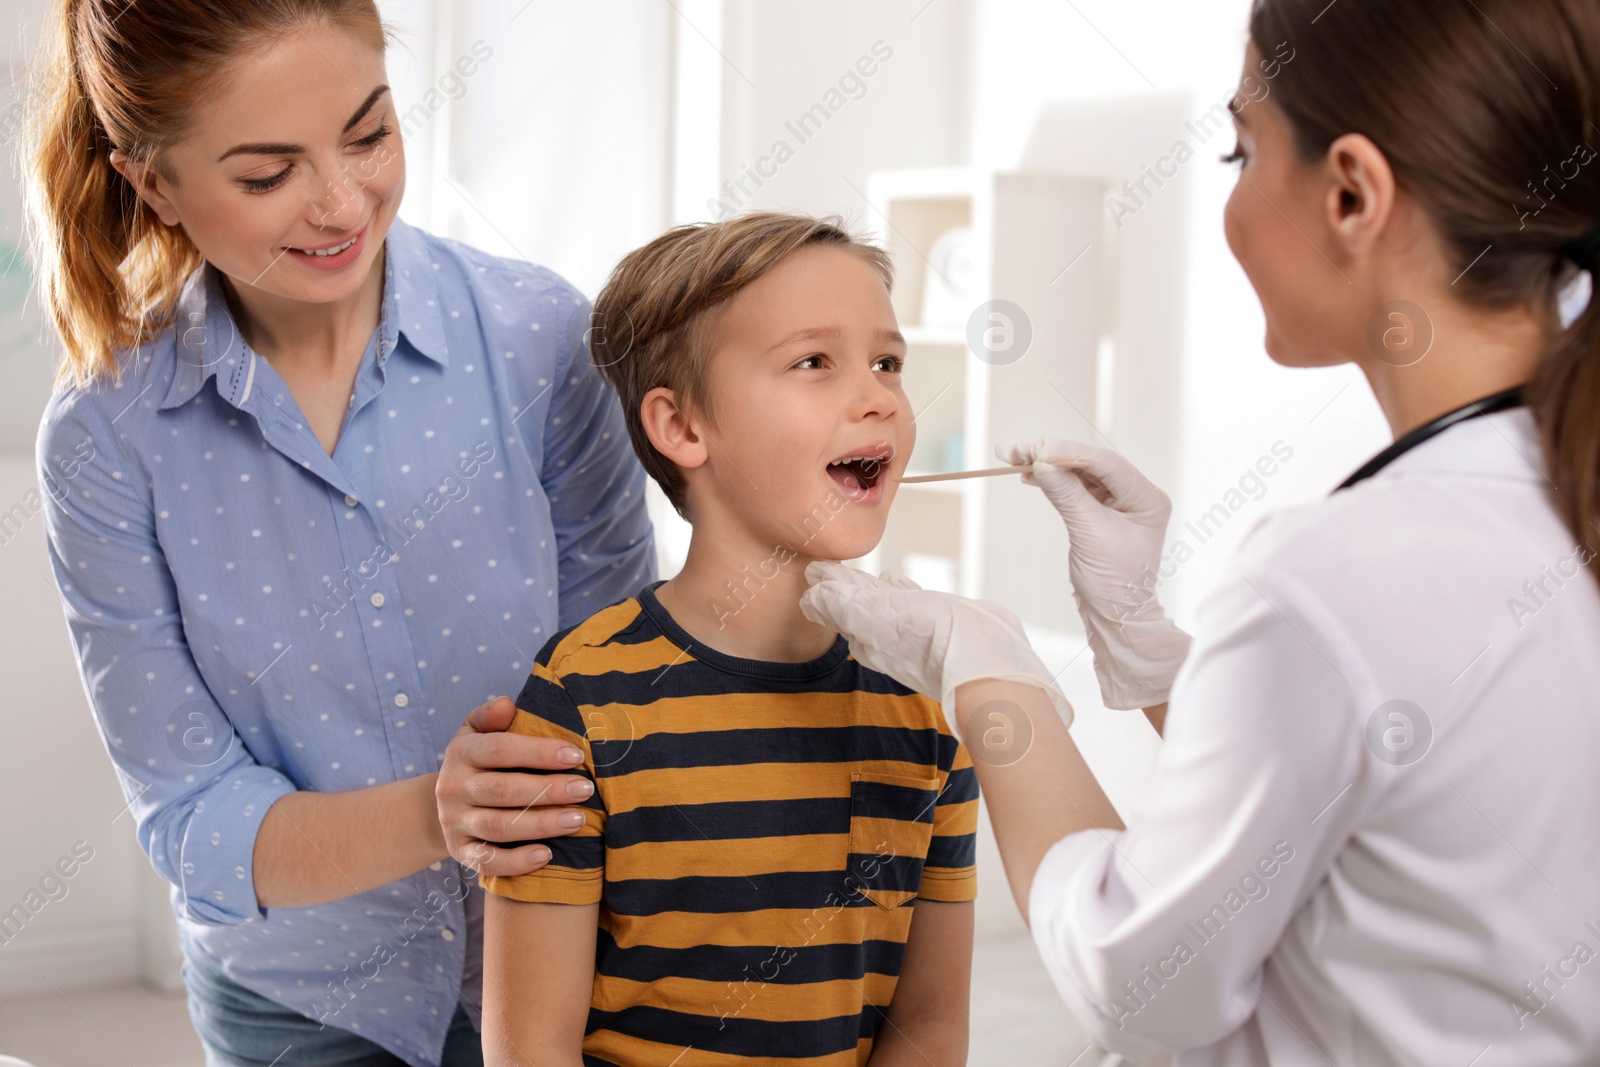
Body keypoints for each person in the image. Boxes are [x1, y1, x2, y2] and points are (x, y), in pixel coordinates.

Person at [797, 0, 1600, 1063]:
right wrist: (1149, 642)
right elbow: (1380, 799)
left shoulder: (1342, 569)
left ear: (1351, 192)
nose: (870, 402)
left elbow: (1141, 979)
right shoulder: (1533, 502)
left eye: (1241, 147)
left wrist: (988, 674)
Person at [24, 2, 652, 1064]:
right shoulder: (106, 435)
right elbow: (193, 819)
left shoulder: (541, 336)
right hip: (300, 1003)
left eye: (368, 133)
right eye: (267, 175)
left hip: (562, 955)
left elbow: (624, 674)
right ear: (153, 183)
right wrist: (436, 812)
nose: (342, 200)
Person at [475, 213, 984, 1067]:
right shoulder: (580, 704)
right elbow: (531, 1051)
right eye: (814, 362)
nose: (879, 398)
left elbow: (928, 1026)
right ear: (682, 428)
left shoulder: (928, 704)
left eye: (887, 362)